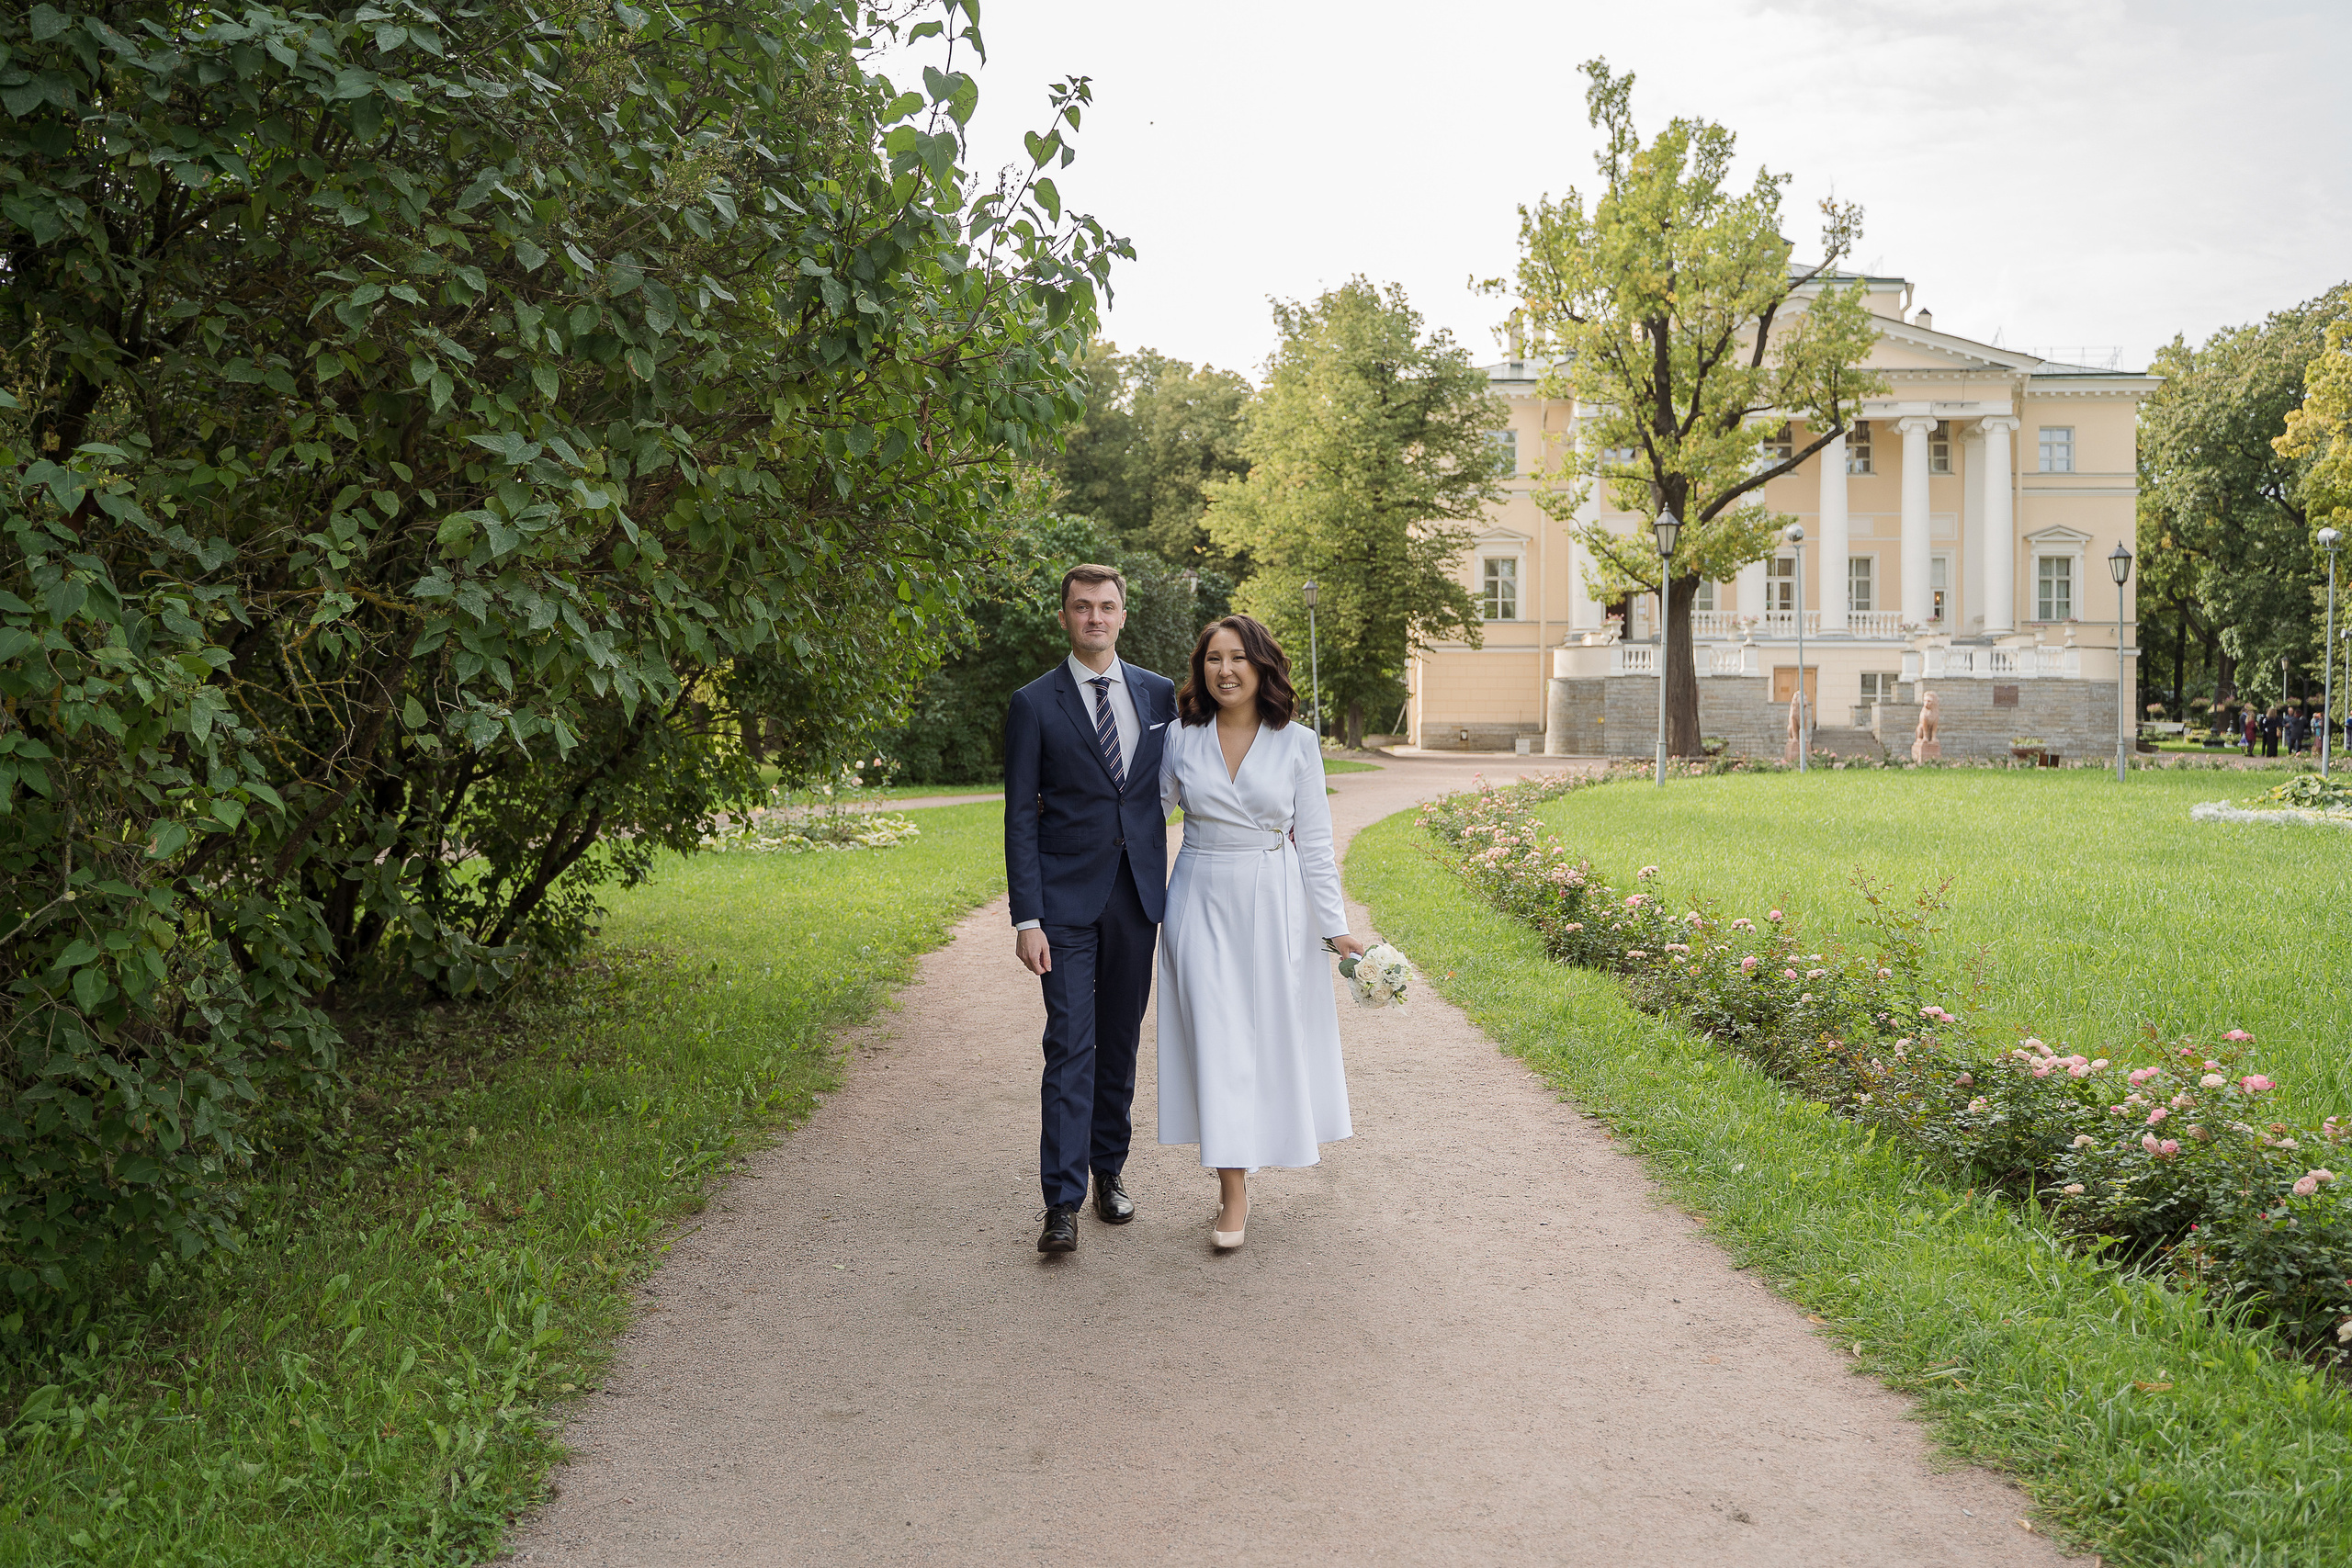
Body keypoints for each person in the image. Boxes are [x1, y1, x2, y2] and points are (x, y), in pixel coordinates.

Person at [1155, 615, 1363, 1250]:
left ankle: (1256, 1154)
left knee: (1266, 1039)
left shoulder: (1296, 741)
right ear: (1201, 669)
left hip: (1275, 900)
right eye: (1213, 658)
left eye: (1237, 657)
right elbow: (1141, 816)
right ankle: (1232, 1191)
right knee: (1216, 1040)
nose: (1224, 670)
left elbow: (1317, 844)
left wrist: (1337, 929)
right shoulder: (1178, 738)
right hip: (1199, 898)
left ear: (1261, 664)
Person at [1003, 564, 1180, 1255]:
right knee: (1070, 1045)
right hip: (1064, 906)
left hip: (1137, 898)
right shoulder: (1034, 703)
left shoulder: (1159, 693)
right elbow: (1019, 815)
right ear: (1064, 617)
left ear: (1123, 614)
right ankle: (1061, 1201)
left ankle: (1110, 1170)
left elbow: (1183, 776)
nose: (1095, 618)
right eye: (1083, 607)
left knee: (1122, 1043)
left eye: (1107, 607)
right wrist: (1027, 918)